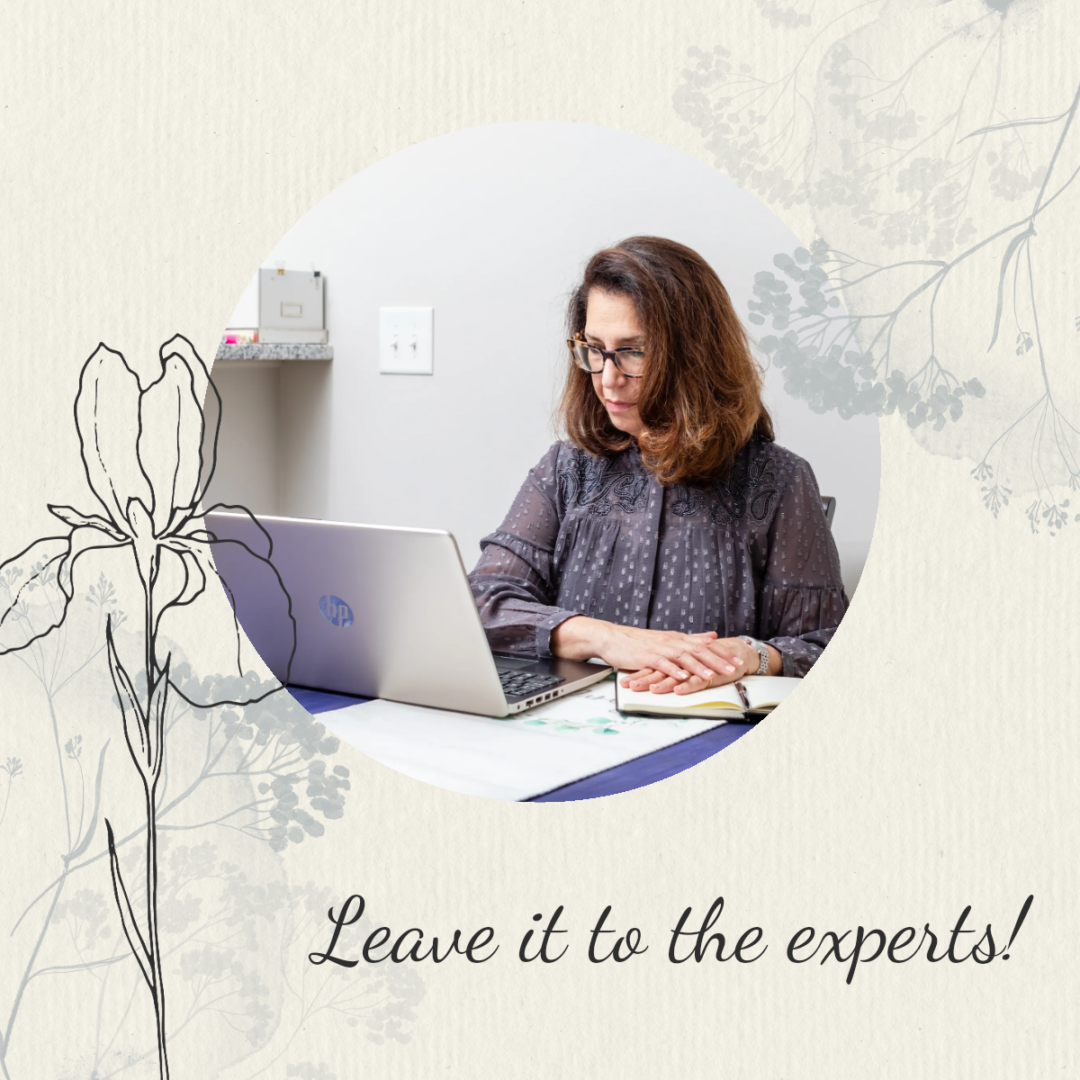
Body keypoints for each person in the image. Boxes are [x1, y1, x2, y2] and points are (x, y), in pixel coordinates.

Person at [467, 236, 848, 697]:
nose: (607, 378)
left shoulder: (780, 481)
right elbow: (481, 603)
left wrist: (754, 655)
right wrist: (606, 638)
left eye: (635, 351)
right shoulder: (566, 470)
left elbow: (827, 646)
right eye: (595, 348)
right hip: (571, 733)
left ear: (694, 355)